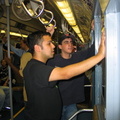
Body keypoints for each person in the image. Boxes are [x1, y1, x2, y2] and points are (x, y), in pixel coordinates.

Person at [23, 30, 105, 120]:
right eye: (49, 43)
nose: (53, 46)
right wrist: (100, 55)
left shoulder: (37, 66)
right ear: (37, 48)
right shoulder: (36, 69)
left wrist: (47, 34)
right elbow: (65, 73)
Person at [47, 33, 94, 120]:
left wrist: (94, 30)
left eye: (71, 42)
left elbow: (92, 50)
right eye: (66, 42)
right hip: (57, 101)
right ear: (60, 46)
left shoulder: (78, 57)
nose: (70, 44)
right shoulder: (52, 60)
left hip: (72, 101)